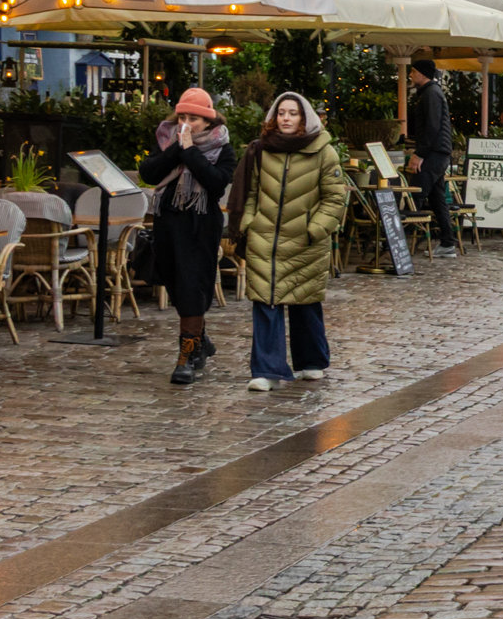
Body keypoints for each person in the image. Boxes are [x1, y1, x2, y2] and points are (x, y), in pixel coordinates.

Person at [232, 91, 352, 391]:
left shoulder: (324, 152)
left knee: (305, 302)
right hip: (265, 238)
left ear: (304, 117)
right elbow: (251, 190)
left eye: (292, 113)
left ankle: (311, 361)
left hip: (305, 241)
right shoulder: (261, 150)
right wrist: (249, 222)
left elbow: (336, 196)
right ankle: (266, 370)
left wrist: (316, 228)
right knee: (266, 301)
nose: (285, 118)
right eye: (281, 113)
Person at [139, 86, 231, 385]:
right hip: (168, 222)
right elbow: (149, 174)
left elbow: (216, 183)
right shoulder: (166, 140)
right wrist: (177, 148)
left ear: (209, 122)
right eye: (183, 117)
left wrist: (190, 152)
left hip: (201, 224)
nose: (187, 124)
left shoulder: (221, 146)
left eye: (194, 119)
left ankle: (187, 354)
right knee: (177, 284)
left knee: (193, 285)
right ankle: (200, 340)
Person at [405, 55, 458, 257]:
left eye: (413, 72)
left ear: (422, 74)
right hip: (438, 152)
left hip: (434, 153)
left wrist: (420, 154)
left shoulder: (431, 94)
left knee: (415, 195)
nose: (410, 75)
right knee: (437, 200)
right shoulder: (429, 92)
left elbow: (432, 126)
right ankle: (447, 243)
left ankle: (394, 245)